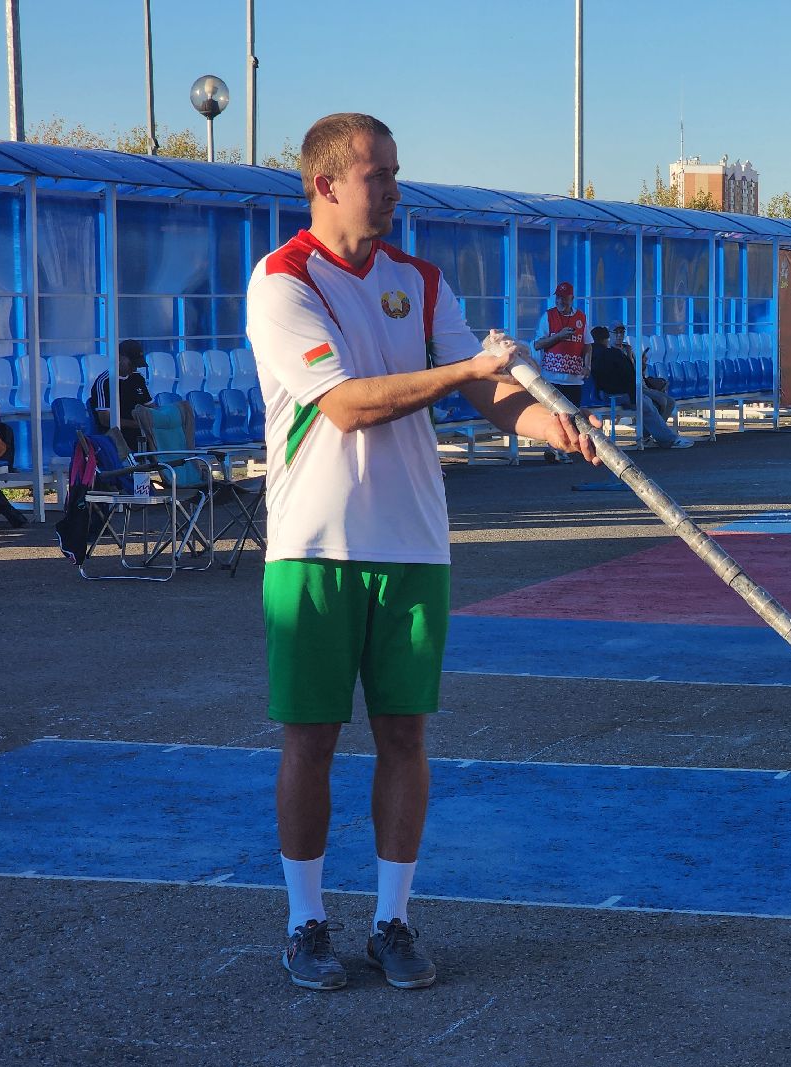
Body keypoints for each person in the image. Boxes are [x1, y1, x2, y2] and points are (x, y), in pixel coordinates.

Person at [246, 112, 598, 993]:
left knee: (405, 735)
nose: (396, 190)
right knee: (312, 741)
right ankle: (305, 924)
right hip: (315, 551)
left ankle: (394, 921)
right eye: (380, 175)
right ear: (327, 184)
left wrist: (552, 426)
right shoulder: (282, 281)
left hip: (413, 544)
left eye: (396, 173)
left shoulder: (419, 281)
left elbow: (491, 397)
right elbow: (350, 405)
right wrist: (467, 371)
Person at [590, 326, 693, 449]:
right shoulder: (612, 354)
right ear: (607, 338)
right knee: (648, 403)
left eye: (621, 332)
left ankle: (652, 436)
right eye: (616, 332)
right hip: (616, 394)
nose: (619, 335)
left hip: (609, 393)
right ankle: (668, 440)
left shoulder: (590, 354)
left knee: (654, 403)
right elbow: (628, 376)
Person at [532, 283, 589, 461]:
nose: (560, 301)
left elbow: (587, 345)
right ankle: (554, 448)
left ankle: (566, 449)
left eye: (564, 298)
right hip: (552, 376)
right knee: (555, 415)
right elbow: (538, 344)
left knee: (571, 416)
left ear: (572, 298)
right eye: (558, 297)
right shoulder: (548, 317)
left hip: (574, 378)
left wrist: (587, 365)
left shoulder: (581, 317)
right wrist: (558, 336)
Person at [88, 339, 152, 450]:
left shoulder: (138, 378)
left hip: (141, 432)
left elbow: (150, 407)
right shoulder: (105, 382)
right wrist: (137, 424)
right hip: (118, 435)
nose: (134, 368)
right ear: (120, 358)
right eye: (132, 364)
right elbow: (105, 420)